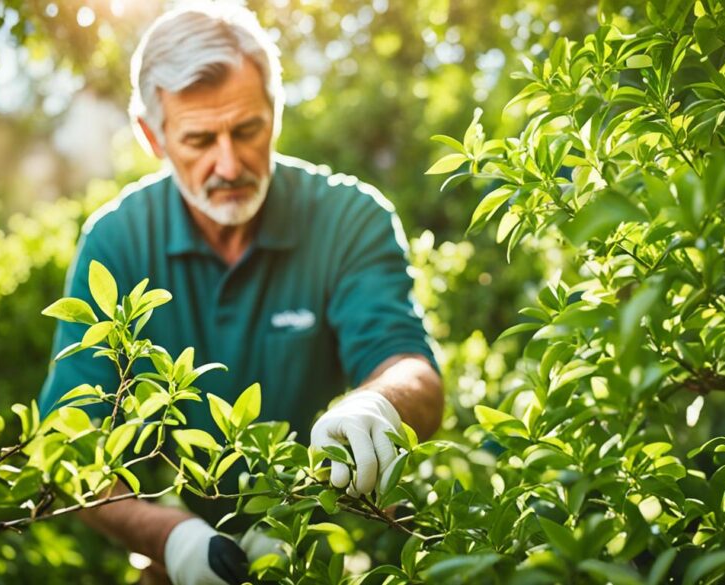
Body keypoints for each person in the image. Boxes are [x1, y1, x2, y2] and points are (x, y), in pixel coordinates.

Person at [36, 4, 443, 584]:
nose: (229, 164)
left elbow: (413, 370)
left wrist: (374, 406)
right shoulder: (119, 240)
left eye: (247, 129)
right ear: (152, 136)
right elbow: (72, 446)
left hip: (319, 542)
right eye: (200, 139)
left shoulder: (350, 218)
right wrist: (171, 538)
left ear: (275, 111)